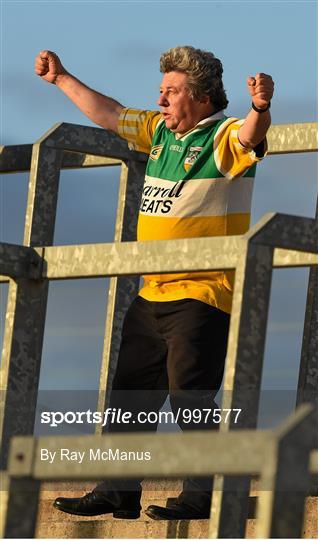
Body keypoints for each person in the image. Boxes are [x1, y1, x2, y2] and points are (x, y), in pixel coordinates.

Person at [35, 46, 274, 520]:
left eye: (171, 91)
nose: (161, 99)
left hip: (202, 292)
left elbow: (251, 137)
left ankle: (204, 494)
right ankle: (119, 491)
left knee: (190, 393)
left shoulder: (221, 134)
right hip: (153, 291)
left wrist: (261, 108)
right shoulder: (159, 132)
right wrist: (62, 78)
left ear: (201, 96)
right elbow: (110, 113)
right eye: (161, 90)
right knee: (129, 395)